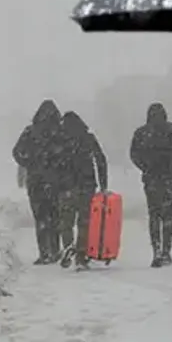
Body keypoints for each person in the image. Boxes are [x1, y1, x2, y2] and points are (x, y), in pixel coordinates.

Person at [129, 102, 172, 268]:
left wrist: (146, 167)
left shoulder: (141, 133)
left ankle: (156, 250)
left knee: (154, 215)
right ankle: (166, 251)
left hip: (151, 179)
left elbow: (134, 155)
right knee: (168, 215)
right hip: (169, 178)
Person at [13, 99, 66, 265]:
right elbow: (70, 154)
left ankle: (44, 253)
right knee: (56, 216)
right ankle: (56, 250)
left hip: (36, 181)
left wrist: (30, 163)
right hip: (57, 181)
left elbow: (16, 152)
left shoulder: (30, 132)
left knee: (41, 217)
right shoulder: (61, 132)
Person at [57, 110, 109, 271]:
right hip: (87, 185)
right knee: (84, 222)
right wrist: (103, 183)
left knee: (66, 221)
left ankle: (67, 246)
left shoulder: (60, 139)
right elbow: (101, 159)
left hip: (66, 186)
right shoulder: (88, 138)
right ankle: (81, 255)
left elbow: (51, 162)